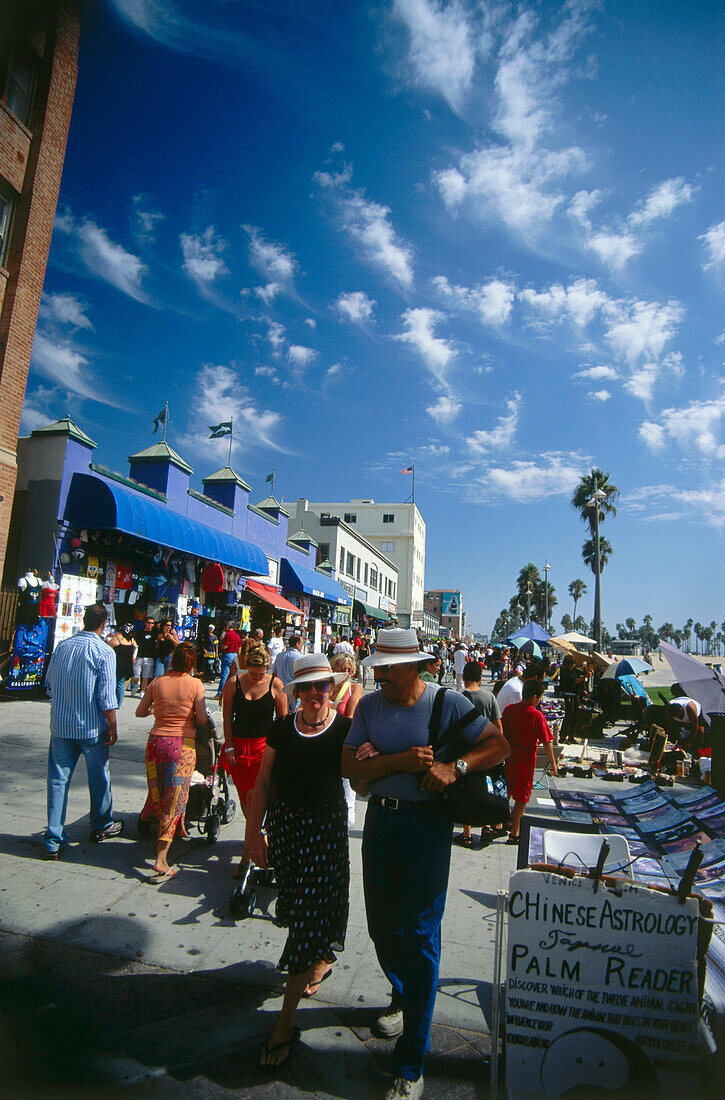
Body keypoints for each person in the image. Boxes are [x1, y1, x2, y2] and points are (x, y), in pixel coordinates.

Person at [341, 628, 510, 1100]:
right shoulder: (371, 707)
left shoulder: (447, 702)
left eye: (387, 669)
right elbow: (348, 767)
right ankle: (404, 993)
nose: (380, 675)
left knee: (419, 933)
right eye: (377, 668)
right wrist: (399, 761)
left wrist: (454, 768)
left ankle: (412, 1061)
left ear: (412, 666)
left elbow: (500, 745)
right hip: (381, 825)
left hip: (428, 830)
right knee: (381, 926)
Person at [244, 655, 352, 1067]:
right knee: (301, 907)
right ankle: (320, 958)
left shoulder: (344, 729)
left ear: (330, 688)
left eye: (318, 687)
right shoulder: (282, 729)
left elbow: (361, 769)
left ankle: (285, 1023)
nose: (311, 695)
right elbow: (263, 783)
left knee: (308, 916)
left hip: (325, 836)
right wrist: (254, 833)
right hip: (287, 833)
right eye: (304, 688)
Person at [43, 603, 123, 857]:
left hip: (61, 726)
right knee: (99, 776)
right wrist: (112, 726)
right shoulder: (104, 651)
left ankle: (53, 838)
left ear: (83, 620)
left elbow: (49, 685)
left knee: (57, 781)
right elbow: (107, 697)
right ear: (103, 624)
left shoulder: (62, 647)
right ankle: (101, 824)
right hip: (91, 728)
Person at [136, 642, 210, 879]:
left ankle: (150, 818)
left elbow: (139, 711)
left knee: (157, 790)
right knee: (174, 799)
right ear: (191, 663)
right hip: (181, 747)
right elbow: (200, 719)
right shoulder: (195, 684)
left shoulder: (157, 682)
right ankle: (161, 859)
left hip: (155, 744)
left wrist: (157, 711)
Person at [221, 645, 287, 874]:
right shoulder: (234, 683)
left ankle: (247, 856)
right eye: (253, 672)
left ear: (267, 668)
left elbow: (283, 721)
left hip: (263, 749)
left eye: (261, 673)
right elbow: (227, 717)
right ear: (246, 666)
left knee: (255, 801)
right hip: (238, 748)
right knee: (245, 801)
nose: (257, 676)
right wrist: (229, 745)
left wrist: (281, 753)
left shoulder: (275, 684)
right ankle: (257, 842)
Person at [454, 660, 506, 850]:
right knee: (487, 789)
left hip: (467, 753)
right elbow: (498, 726)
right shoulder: (490, 697)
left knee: (466, 790)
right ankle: (486, 828)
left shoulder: (459, 698)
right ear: (479, 678)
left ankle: (467, 835)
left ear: (465, 678)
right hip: (487, 751)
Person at [503, 680, 558, 845]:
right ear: (534, 697)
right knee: (522, 799)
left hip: (509, 758)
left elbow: (502, 733)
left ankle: (500, 822)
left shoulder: (509, 710)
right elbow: (547, 741)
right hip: (526, 762)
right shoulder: (536, 715)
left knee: (507, 792)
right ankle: (515, 833)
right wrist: (553, 764)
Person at [330, 652, 364, 827]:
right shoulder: (325, 687)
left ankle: (342, 830)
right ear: (333, 668)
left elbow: (350, 718)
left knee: (347, 799)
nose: (345, 672)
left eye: (349, 670)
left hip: (343, 747)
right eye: (342, 669)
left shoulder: (354, 689)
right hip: (323, 747)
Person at [106, 621, 137, 708]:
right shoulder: (132, 640)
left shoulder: (117, 639)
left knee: (117, 683)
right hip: (127, 665)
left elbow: (107, 649)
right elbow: (136, 648)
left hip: (118, 664)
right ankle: (118, 701)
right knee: (121, 683)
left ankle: (117, 703)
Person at [216, 622, 243, 698]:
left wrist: (221, 643)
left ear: (227, 627)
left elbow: (225, 646)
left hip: (228, 654)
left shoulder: (228, 635)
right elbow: (239, 647)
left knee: (225, 674)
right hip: (235, 654)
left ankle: (220, 692)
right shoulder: (237, 636)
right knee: (234, 674)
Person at [132, 615, 156, 696]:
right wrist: (134, 656)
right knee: (136, 675)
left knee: (146, 676)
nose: (150, 624)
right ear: (145, 623)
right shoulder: (140, 633)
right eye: (148, 623)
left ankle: (142, 691)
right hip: (139, 656)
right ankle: (135, 686)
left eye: (152, 623)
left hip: (149, 657)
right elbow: (135, 645)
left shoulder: (155, 634)